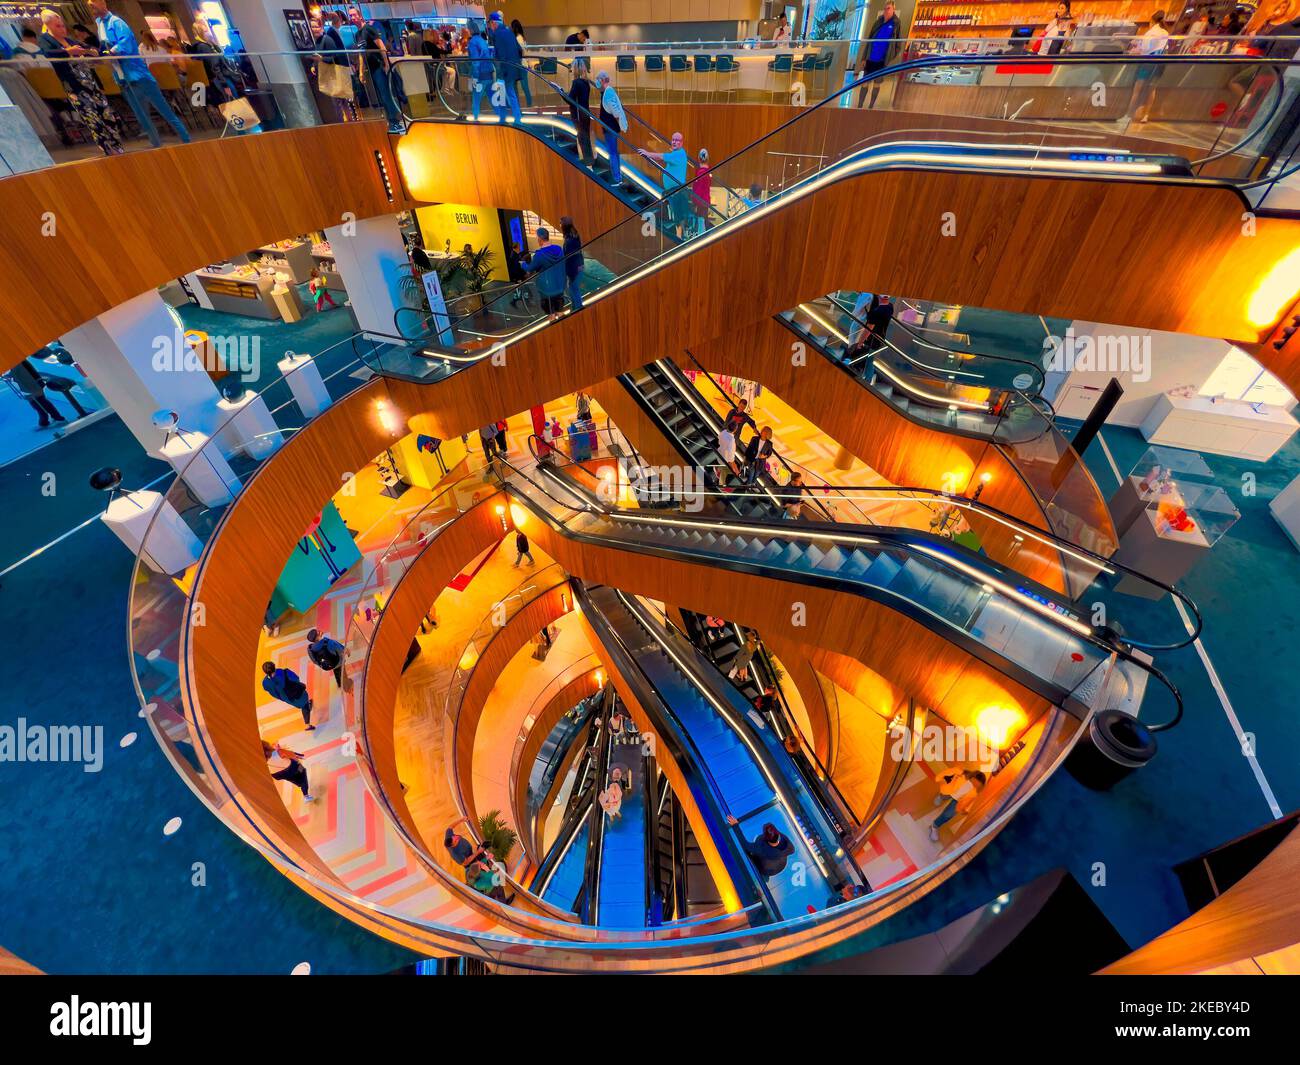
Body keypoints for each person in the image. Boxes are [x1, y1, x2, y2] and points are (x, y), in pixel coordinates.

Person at [39, 9, 126, 156]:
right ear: (49, 26)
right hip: (74, 86)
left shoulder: (71, 41)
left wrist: (91, 50)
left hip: (91, 83)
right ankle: (108, 149)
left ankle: (117, 145)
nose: (62, 29)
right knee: (92, 117)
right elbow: (47, 54)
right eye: (57, 26)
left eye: (62, 25)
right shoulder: (45, 40)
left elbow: (89, 48)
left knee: (106, 114)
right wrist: (68, 52)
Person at [638, 130, 690, 237]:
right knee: (676, 214)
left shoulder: (679, 154)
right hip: (673, 191)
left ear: (682, 143)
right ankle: (679, 235)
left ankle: (679, 237)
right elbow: (665, 160)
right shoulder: (676, 154)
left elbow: (661, 156)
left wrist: (648, 153)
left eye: (677, 140)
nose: (674, 142)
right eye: (673, 140)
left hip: (677, 190)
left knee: (678, 215)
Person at [358, 15, 402, 131]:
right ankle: (391, 121)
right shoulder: (358, 34)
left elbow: (381, 46)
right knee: (382, 96)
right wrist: (361, 71)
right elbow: (361, 54)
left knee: (386, 94)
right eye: (350, 15)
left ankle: (395, 121)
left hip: (379, 66)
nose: (352, 17)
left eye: (354, 15)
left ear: (360, 16)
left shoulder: (368, 29)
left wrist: (386, 63)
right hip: (371, 68)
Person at [1128, 10, 1170, 126]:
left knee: (1138, 88)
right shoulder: (1165, 32)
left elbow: (1145, 50)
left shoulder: (1151, 33)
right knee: (1152, 89)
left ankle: (1129, 114)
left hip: (1148, 63)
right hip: (1160, 63)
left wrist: (1135, 46)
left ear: (1152, 21)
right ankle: (1146, 115)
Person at [857, 1, 901, 108]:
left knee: (877, 84)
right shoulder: (878, 21)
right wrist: (864, 58)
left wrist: (890, 56)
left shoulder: (896, 23)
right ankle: (859, 106)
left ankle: (871, 106)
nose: (886, 11)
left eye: (889, 8)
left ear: (893, 9)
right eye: (885, 8)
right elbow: (869, 40)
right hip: (870, 58)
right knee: (865, 83)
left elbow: (898, 44)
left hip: (882, 61)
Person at [516, 227, 568, 319]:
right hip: (560, 285)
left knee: (550, 313)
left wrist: (523, 264)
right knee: (560, 311)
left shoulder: (539, 255)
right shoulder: (559, 249)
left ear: (540, 239)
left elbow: (530, 269)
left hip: (547, 289)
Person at [929, 768, 987, 842]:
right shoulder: (960, 774)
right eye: (975, 782)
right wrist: (939, 778)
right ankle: (941, 797)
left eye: (978, 785)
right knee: (944, 795)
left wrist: (966, 809)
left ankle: (934, 826)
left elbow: (970, 801)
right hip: (950, 790)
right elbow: (948, 772)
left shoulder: (974, 792)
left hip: (959, 801)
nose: (975, 785)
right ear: (973, 777)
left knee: (948, 815)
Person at [726, 817, 795, 879]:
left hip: (766, 869)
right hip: (779, 865)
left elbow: (745, 845)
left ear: (766, 838)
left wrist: (735, 825)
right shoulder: (784, 839)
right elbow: (792, 850)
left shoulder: (761, 848)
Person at [6, 358, 65, 428]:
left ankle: (52, 419)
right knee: (40, 402)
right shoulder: (18, 361)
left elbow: (18, 373)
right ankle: (47, 421)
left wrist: (9, 375)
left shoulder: (17, 361)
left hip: (32, 385)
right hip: (32, 385)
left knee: (39, 403)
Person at [487, 11, 523, 123]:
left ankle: (503, 119)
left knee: (501, 95)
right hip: (513, 69)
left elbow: (501, 54)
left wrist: (501, 71)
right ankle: (517, 118)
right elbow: (519, 49)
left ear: (494, 23)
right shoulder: (509, 31)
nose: (490, 27)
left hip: (504, 71)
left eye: (490, 24)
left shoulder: (498, 34)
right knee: (510, 94)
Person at [595, 70, 628, 184]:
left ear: (602, 80)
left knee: (612, 153)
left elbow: (616, 112)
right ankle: (617, 176)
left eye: (598, 80)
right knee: (614, 152)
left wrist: (621, 124)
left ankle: (616, 178)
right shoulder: (606, 92)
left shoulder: (608, 92)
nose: (596, 82)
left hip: (610, 129)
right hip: (611, 129)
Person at [261, 660, 314, 729]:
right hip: (297, 692)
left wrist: (282, 698)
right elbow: (296, 678)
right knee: (304, 705)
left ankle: (306, 704)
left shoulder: (265, 683)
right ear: (274, 666)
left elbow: (273, 693)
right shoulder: (282, 672)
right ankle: (307, 725)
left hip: (287, 698)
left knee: (301, 704)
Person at [567, 59, 594, 164]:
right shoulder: (586, 82)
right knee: (586, 138)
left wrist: (560, 91)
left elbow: (570, 100)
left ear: (576, 69)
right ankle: (590, 161)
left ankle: (587, 162)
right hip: (586, 113)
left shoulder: (576, 82)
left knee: (582, 139)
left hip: (578, 115)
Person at [466, 24, 493, 119]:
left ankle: (475, 118)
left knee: (476, 98)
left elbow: (475, 60)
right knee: (492, 97)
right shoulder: (482, 40)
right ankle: (501, 116)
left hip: (480, 74)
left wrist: (475, 76)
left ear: (470, 30)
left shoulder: (472, 42)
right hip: (489, 72)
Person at [560, 216, 585, 311]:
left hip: (574, 268)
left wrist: (567, 272)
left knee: (573, 289)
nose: (560, 225)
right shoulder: (574, 235)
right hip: (579, 266)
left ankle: (577, 309)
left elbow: (570, 257)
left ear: (564, 226)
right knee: (573, 289)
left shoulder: (569, 240)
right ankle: (575, 309)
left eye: (561, 223)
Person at [509, 18, 533, 105]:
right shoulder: (521, 37)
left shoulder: (518, 38)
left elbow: (521, 51)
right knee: (523, 86)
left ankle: (523, 105)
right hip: (522, 64)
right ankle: (527, 104)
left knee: (522, 86)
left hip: (520, 64)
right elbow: (525, 51)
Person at [690, 147, 713, 235]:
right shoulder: (709, 172)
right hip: (705, 199)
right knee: (704, 218)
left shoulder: (699, 172)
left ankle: (700, 236)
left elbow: (697, 188)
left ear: (699, 158)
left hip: (699, 200)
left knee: (700, 219)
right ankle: (704, 235)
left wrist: (694, 200)